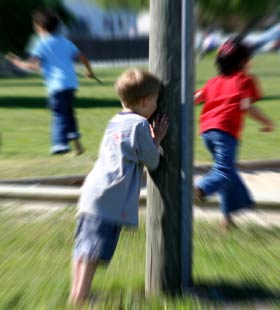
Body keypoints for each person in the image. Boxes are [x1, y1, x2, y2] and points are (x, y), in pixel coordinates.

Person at [68, 68, 169, 305]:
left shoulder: (115, 121)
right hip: (110, 195)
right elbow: (152, 161)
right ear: (145, 101)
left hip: (92, 190)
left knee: (83, 246)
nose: (157, 104)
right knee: (93, 250)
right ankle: (81, 296)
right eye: (155, 100)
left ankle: (77, 291)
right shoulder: (140, 125)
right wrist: (157, 140)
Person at [194, 37, 274, 230]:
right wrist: (267, 122)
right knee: (223, 171)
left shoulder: (213, 82)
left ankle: (227, 220)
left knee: (227, 172)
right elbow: (246, 107)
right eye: (248, 59)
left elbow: (195, 98)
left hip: (207, 132)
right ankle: (199, 190)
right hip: (226, 132)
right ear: (243, 62)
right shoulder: (245, 80)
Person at [6, 8, 97, 155]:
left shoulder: (41, 44)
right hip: (71, 84)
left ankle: (60, 144)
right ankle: (78, 146)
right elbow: (83, 58)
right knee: (68, 113)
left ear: (39, 27)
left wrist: (19, 63)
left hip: (56, 86)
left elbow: (34, 65)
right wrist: (90, 72)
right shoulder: (64, 41)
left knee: (59, 114)